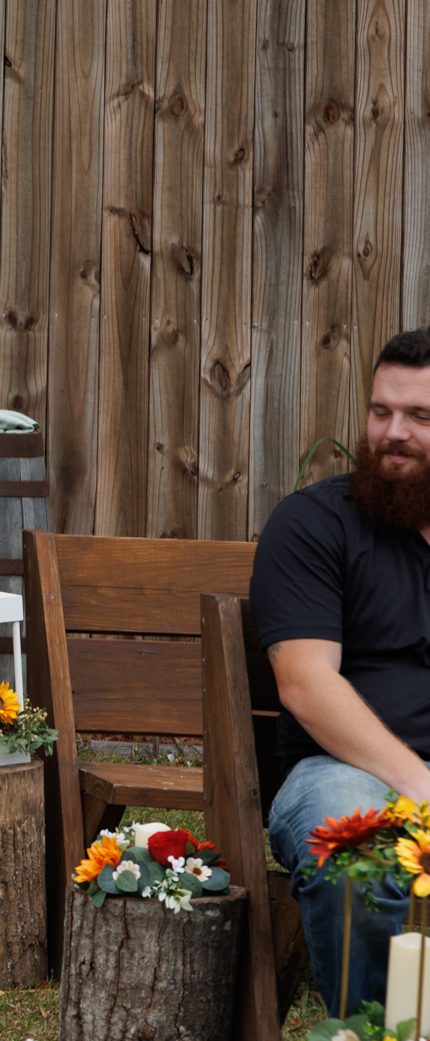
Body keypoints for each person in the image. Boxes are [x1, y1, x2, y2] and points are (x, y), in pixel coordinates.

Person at [256, 326, 430, 1017]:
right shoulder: (314, 525)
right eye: (382, 411)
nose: (394, 433)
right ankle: (373, 1030)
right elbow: (305, 681)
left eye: (420, 416)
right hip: (341, 770)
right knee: (356, 847)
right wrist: (419, 785)